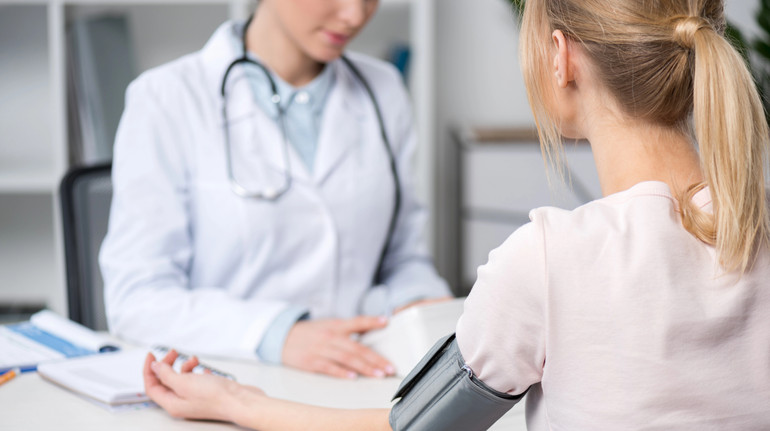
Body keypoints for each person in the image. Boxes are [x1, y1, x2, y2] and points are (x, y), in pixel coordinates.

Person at [141, 0, 770, 429]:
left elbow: (415, 427)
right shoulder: (757, 224)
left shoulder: (548, 258)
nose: (355, 13)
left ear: (560, 57)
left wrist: (239, 403)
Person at [100, 0, 451, 380]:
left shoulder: (383, 89)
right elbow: (137, 298)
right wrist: (276, 334)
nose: (354, 15)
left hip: (361, 372)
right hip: (228, 377)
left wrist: (423, 306)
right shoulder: (167, 97)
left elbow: (402, 258)